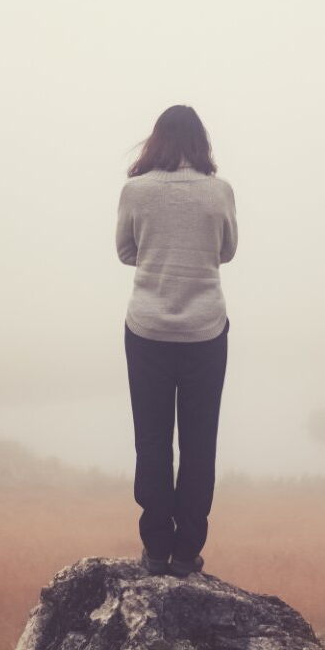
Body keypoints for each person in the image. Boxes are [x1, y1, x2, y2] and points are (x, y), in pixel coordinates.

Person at [115, 104, 237, 579]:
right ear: (200, 142)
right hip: (206, 330)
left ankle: (155, 550)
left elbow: (127, 252)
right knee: (199, 443)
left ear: (156, 141)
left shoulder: (135, 192)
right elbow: (226, 251)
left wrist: (159, 256)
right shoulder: (220, 191)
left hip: (147, 331)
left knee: (152, 441)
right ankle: (188, 553)